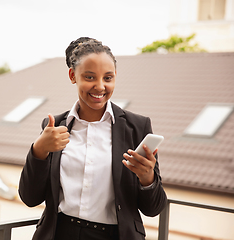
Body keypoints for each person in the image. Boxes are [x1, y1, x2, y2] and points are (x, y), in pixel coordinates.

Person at [18, 37, 167, 240]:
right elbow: (29, 197)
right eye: (89, 77)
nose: (100, 86)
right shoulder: (54, 126)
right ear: (73, 76)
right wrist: (38, 150)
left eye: (108, 78)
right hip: (60, 233)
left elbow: (154, 208)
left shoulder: (137, 128)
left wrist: (147, 178)